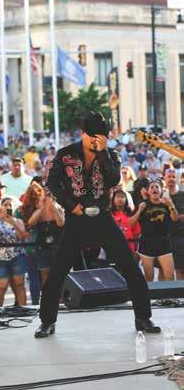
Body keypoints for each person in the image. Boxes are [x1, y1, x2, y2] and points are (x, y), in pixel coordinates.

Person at [35, 112, 161, 339]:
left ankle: (143, 317)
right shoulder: (65, 154)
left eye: (100, 136)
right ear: (82, 133)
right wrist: (70, 205)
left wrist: (103, 153)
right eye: (92, 136)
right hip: (76, 218)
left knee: (130, 267)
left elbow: (114, 180)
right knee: (58, 271)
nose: (96, 140)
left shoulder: (110, 154)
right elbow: (52, 183)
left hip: (102, 217)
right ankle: (47, 321)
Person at [132, 180, 178, 282]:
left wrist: (171, 205)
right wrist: (139, 210)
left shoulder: (166, 203)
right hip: (147, 242)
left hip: (164, 242)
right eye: (152, 187)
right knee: (149, 277)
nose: (154, 189)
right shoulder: (143, 204)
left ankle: (168, 293)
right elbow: (130, 223)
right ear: (148, 192)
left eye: (157, 187)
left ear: (161, 190)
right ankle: (149, 294)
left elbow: (175, 218)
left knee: (170, 276)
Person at [0, 198, 28, 307]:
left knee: (20, 286)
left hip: (17, 257)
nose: (8, 207)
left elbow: (22, 237)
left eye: (10, 205)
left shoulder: (18, 221)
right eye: (5, 205)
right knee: (1, 287)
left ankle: (24, 310)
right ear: (1, 207)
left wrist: (13, 223)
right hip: (0, 258)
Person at [164, 169, 184, 280]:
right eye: (169, 176)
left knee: (181, 270)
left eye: (173, 176)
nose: (171, 179)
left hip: (181, 237)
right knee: (165, 272)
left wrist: (178, 217)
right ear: (164, 179)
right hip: (165, 237)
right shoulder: (161, 196)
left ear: (178, 179)